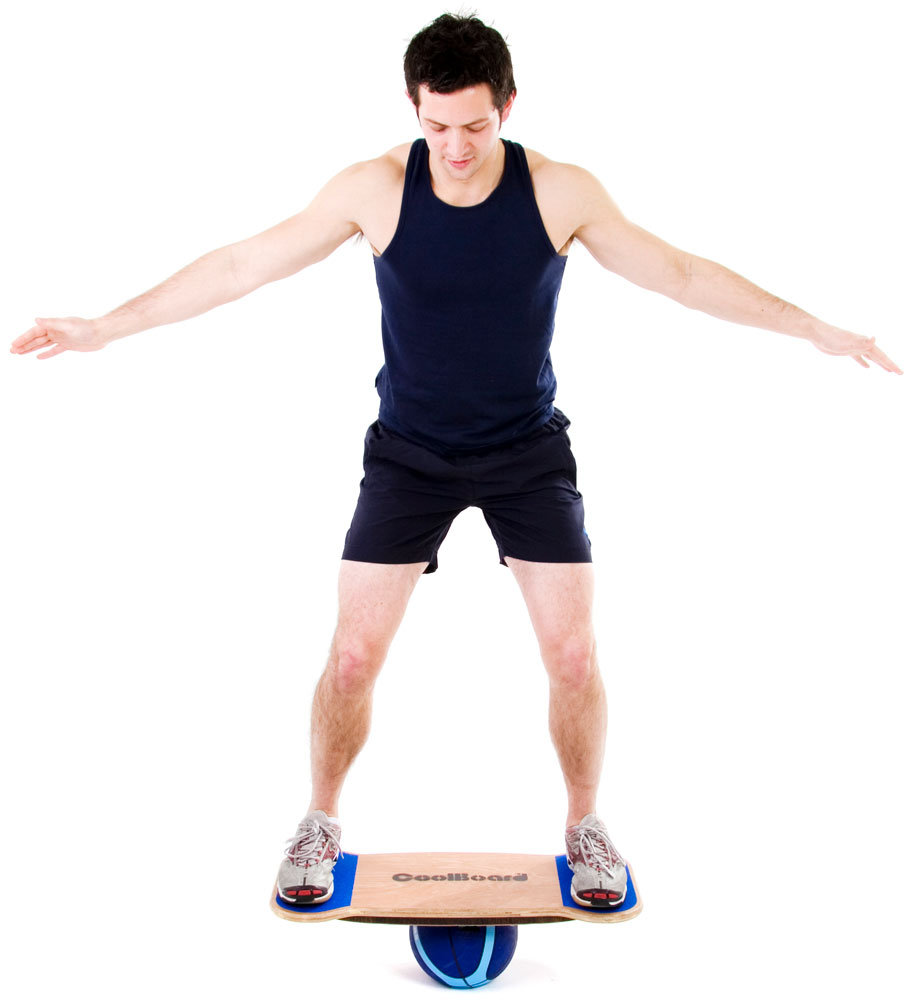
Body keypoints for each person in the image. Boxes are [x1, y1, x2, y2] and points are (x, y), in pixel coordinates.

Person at [10, 14, 902, 909]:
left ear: (506, 106)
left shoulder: (558, 190)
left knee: (573, 657)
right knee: (354, 656)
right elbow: (244, 263)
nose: (456, 147)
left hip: (526, 452)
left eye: (475, 126)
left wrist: (811, 329)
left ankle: (585, 828)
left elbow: (679, 273)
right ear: (414, 108)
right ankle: (319, 820)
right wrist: (105, 326)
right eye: (437, 127)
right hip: (408, 455)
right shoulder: (375, 187)